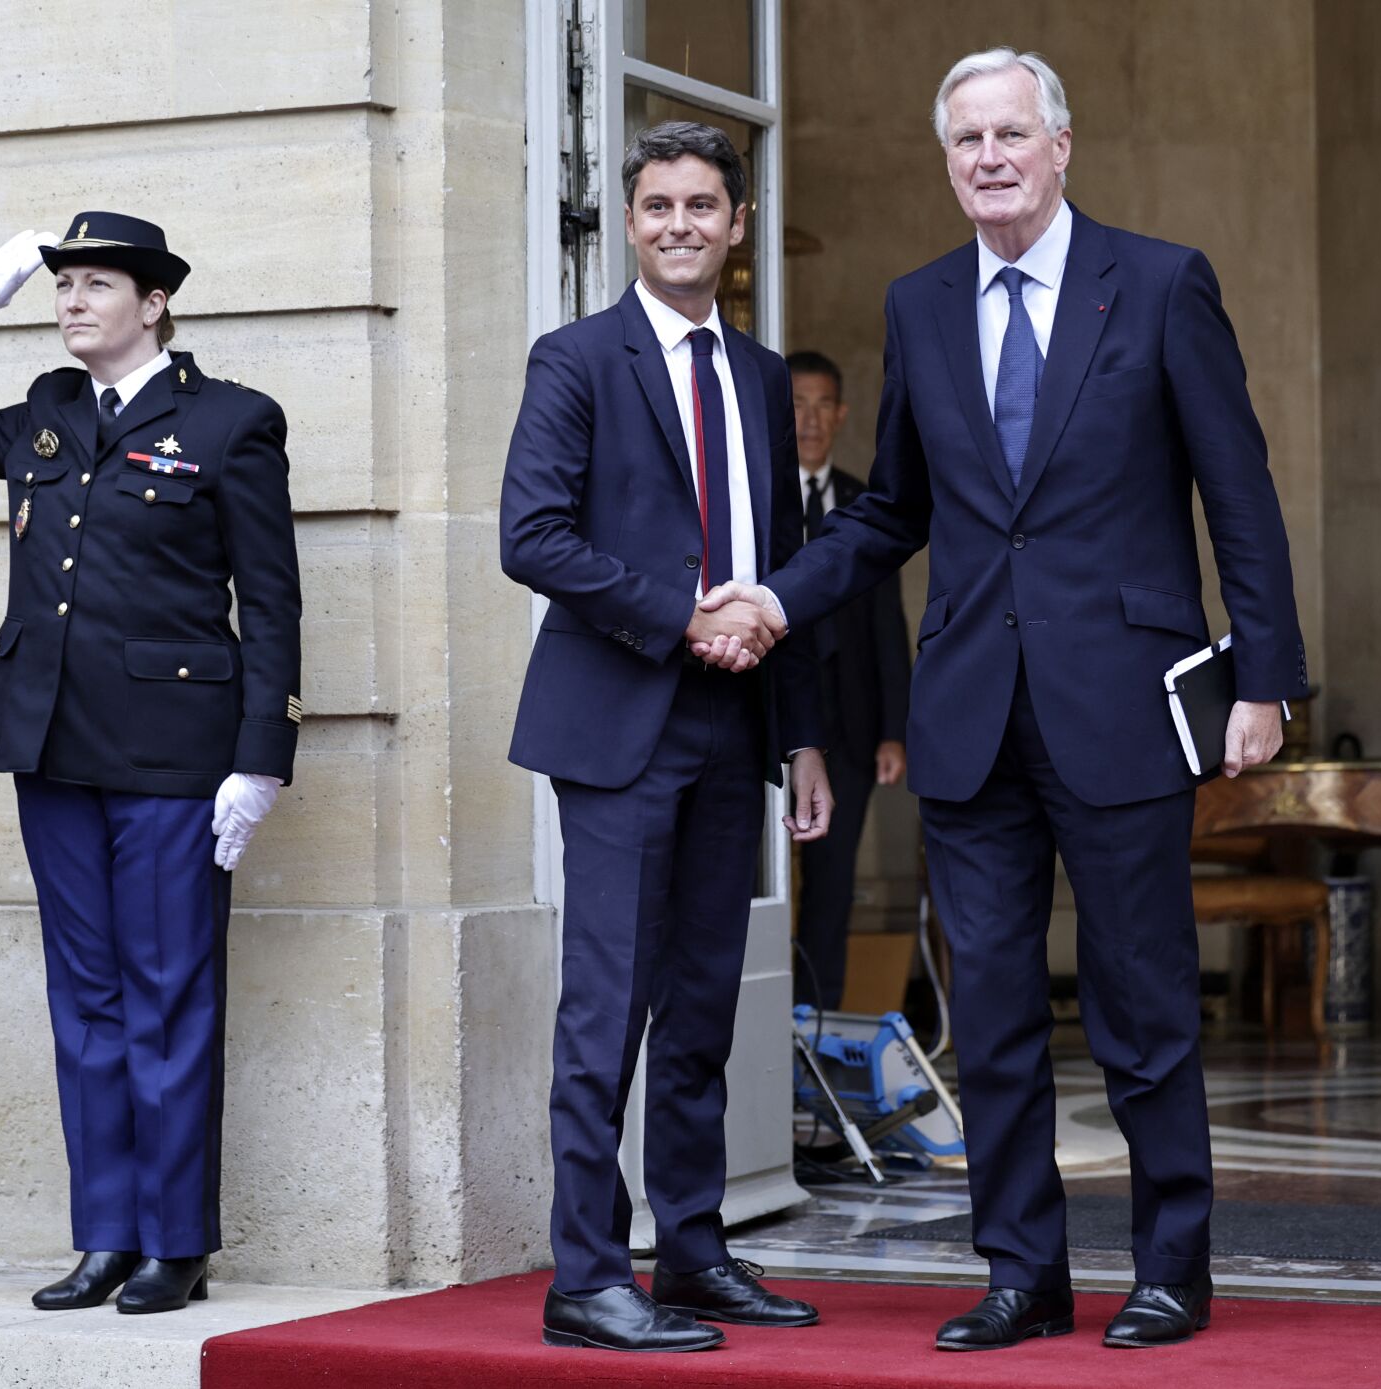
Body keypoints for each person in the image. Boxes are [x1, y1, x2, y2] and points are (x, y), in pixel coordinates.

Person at [699, 49, 1307, 1350]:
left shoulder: (1156, 284)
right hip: (970, 714)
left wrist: (1268, 674)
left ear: (1062, 144)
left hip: (1123, 704)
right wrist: (780, 596)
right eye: (966, 138)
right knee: (994, 1018)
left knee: (1145, 1005)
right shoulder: (920, 305)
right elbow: (895, 514)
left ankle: (1170, 1269)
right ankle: (1022, 1274)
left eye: (1010, 133)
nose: (988, 156)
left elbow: (1239, 493)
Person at [0, 212, 303, 1314]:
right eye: (62, 283)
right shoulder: (45, 413)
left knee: (170, 999)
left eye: (95, 284)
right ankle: (107, 1234)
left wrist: (261, 756)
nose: (71, 299)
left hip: (177, 758)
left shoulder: (228, 422)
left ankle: (177, 1242)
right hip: (54, 748)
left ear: (154, 302)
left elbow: (268, 602)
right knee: (86, 1001)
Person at [500, 121, 832, 1355]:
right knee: (608, 1014)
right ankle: (587, 1274)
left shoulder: (756, 374)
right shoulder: (575, 358)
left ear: (736, 226)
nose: (681, 224)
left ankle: (692, 1252)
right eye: (657, 206)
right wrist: (676, 616)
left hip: (732, 720)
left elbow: (784, 570)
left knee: (702, 1009)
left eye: (703, 205)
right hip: (621, 720)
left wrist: (798, 738)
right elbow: (528, 537)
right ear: (630, 223)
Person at [784, 350, 909, 1011]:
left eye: (819, 406)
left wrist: (894, 729)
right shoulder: (757, 491)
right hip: (767, 723)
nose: (808, 419)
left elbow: (889, 619)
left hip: (852, 730)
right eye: (795, 405)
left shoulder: (867, 502)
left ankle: (818, 1025)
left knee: (833, 889)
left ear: (840, 415)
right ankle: (757, 1030)